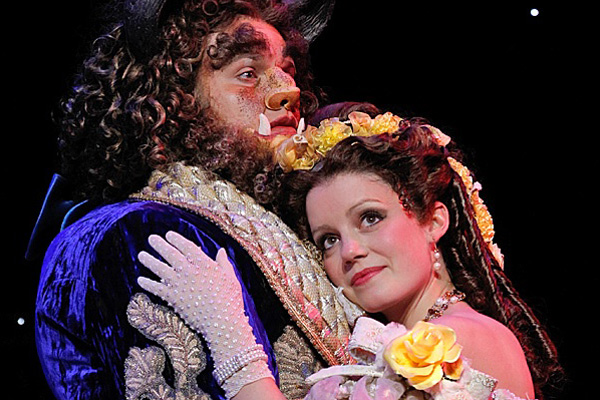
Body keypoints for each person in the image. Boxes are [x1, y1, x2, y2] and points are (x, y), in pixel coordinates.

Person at [29, 1, 361, 399]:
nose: (287, 91)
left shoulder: (300, 227)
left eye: (287, 71)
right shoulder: (139, 233)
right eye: (248, 73)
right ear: (173, 99)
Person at [137, 112, 564, 399]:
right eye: (328, 239)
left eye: (370, 218)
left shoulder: (457, 340)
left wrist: (231, 339)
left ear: (434, 221)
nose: (350, 252)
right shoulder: (455, 332)